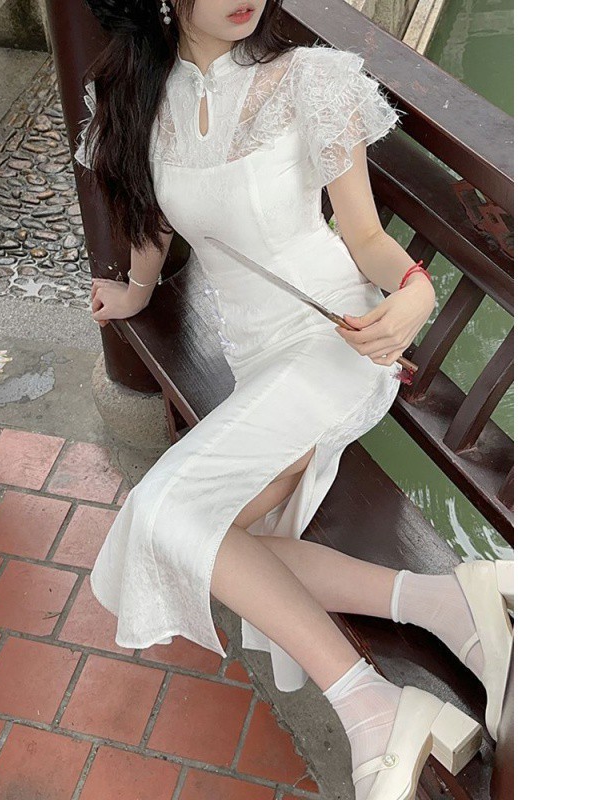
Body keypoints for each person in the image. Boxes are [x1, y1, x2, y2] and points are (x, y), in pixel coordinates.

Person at [77, 2, 513, 798]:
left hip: (332, 342)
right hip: (257, 363)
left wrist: (415, 292)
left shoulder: (311, 81)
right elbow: (154, 219)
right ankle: (447, 603)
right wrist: (135, 289)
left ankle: (371, 708)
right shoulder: (140, 94)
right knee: (205, 534)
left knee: (165, 513)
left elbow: (366, 238)